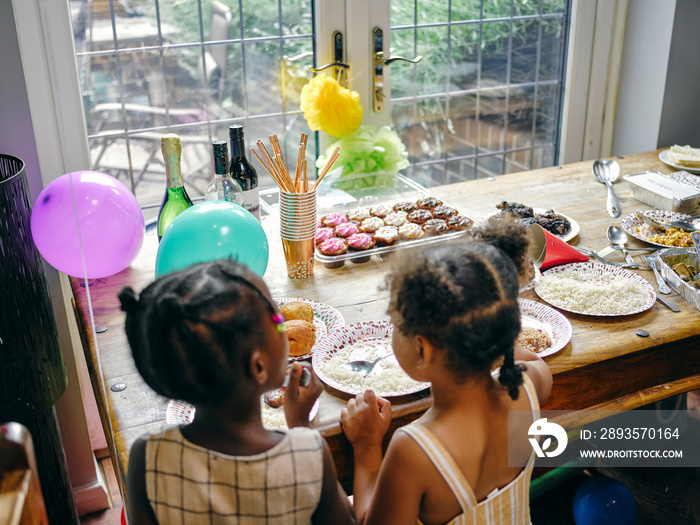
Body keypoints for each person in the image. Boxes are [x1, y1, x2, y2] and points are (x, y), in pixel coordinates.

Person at [341, 221, 552, 525]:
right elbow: (533, 360)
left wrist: (367, 447)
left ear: (422, 351)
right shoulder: (528, 385)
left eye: (396, 324)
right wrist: (487, 341)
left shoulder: (413, 449)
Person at [118, 259, 355, 524]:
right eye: (278, 319)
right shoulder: (307, 453)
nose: (284, 324)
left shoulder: (147, 457)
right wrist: (301, 426)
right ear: (258, 366)